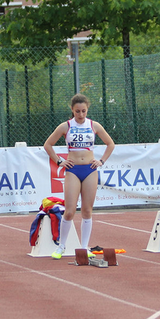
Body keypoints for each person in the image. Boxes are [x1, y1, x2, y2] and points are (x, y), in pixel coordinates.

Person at [44, 94, 115, 259]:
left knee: (87, 210)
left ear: (87, 109)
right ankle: (61, 246)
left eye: (83, 111)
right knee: (69, 211)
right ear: (72, 110)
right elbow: (48, 144)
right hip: (73, 170)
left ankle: (84, 247)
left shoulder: (94, 125)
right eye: (77, 112)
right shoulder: (66, 126)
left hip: (90, 169)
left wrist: (101, 161)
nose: (81, 115)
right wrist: (59, 161)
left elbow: (110, 143)